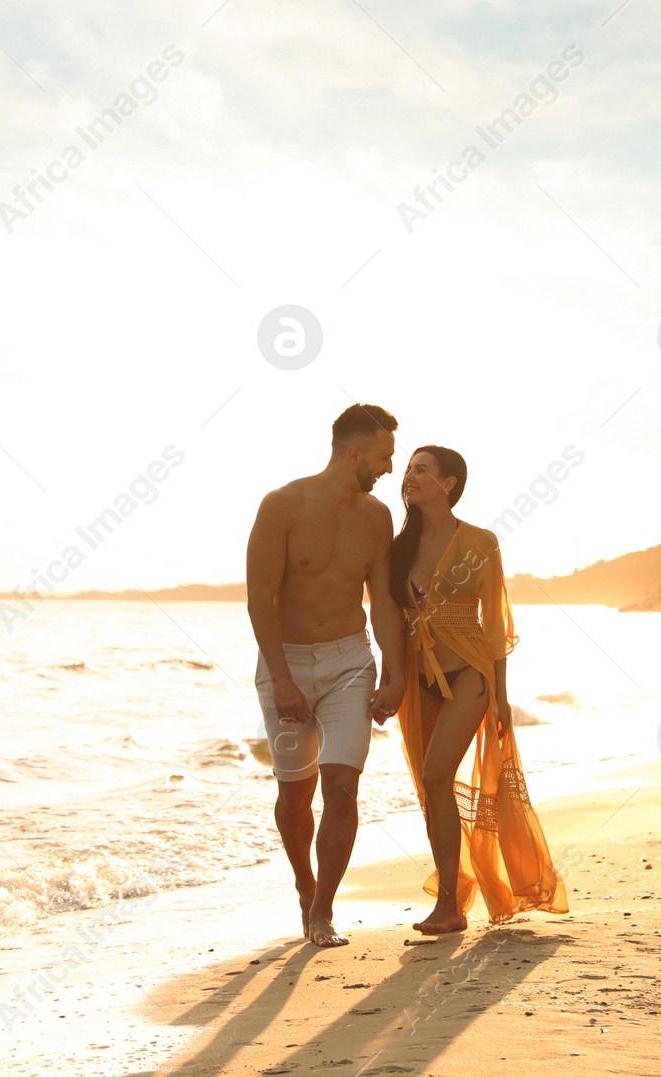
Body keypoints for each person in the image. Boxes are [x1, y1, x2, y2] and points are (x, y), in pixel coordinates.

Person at [389, 445, 568, 934]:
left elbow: (495, 623)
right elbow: (385, 615)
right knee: (432, 787)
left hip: (470, 670)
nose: (409, 476)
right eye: (407, 469)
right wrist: (390, 676)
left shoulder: (480, 542)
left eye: (421, 470)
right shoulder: (397, 546)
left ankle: (450, 903)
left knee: (436, 770)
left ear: (449, 483)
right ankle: (452, 896)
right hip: (418, 671)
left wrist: (502, 694)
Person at [246, 403, 406, 948]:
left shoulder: (376, 517)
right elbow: (260, 600)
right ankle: (303, 885)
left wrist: (394, 670)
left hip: (348, 663)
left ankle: (322, 911)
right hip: (285, 661)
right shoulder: (282, 505)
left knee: (341, 786)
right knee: (296, 793)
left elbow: (381, 600)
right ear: (354, 453)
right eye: (384, 456)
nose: (389, 468)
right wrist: (282, 678)